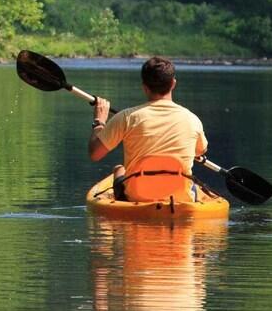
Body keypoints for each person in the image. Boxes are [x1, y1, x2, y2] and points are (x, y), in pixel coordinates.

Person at [88, 56, 209, 203]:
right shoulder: (193, 120)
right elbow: (200, 151)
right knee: (193, 183)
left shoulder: (126, 117)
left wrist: (99, 121)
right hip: (179, 198)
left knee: (119, 169)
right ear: (173, 84)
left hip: (137, 197)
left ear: (144, 87)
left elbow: (95, 154)